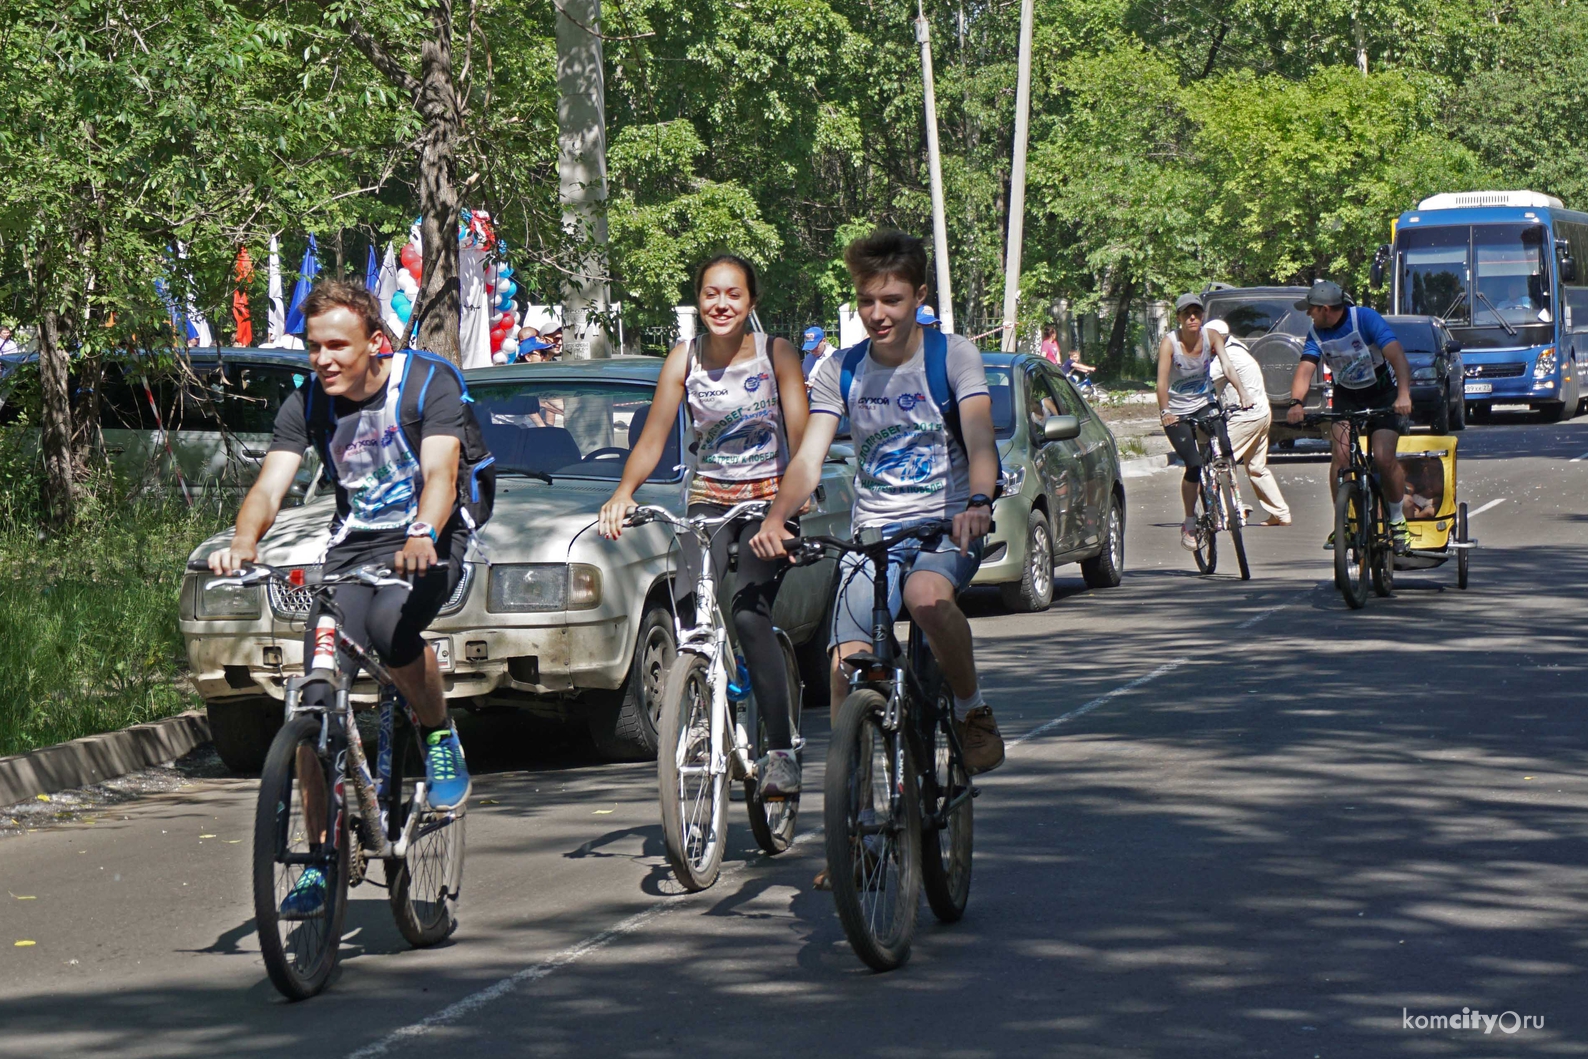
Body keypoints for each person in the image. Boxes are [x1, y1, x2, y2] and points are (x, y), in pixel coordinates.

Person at [208, 280, 480, 915]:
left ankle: (439, 737)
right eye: (313, 347)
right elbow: (271, 485)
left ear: (374, 343)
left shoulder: (427, 384)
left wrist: (422, 533)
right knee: (316, 692)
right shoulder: (308, 402)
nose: (322, 359)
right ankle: (316, 858)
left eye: (337, 346)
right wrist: (245, 540)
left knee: (392, 629)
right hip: (356, 545)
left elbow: (441, 475)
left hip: (434, 533)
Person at [750, 227, 1005, 789]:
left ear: (918, 297)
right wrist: (777, 516)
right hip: (874, 530)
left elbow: (981, 440)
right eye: (867, 301)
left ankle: (971, 709)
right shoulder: (841, 368)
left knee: (925, 598)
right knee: (846, 663)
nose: (878, 313)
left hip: (948, 525)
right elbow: (809, 459)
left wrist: (979, 502)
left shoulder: (952, 355)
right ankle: (854, 820)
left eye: (891, 300)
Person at [598, 255, 810, 798]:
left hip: (771, 505)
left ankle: (782, 750)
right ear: (698, 300)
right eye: (711, 294)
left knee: (747, 612)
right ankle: (702, 706)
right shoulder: (683, 359)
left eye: (733, 294)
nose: (722, 304)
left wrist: (790, 508)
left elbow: (804, 438)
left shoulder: (776, 354)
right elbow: (651, 439)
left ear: (751, 302)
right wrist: (623, 493)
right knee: (692, 611)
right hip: (708, 505)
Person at [1284, 280, 1414, 552]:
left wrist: (1403, 395)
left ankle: (1397, 520)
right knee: (1341, 459)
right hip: (1347, 395)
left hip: (1382, 394)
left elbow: (1397, 357)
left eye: (1312, 310)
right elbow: (1306, 369)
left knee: (1383, 457)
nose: (1309, 314)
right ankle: (1342, 523)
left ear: (1327, 309)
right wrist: (1296, 403)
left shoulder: (1365, 319)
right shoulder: (1317, 333)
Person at [1158, 292, 1253, 550]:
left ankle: (1232, 497)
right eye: (1187, 314)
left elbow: (1227, 366)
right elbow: (1162, 381)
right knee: (1193, 464)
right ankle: (1189, 520)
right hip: (1177, 410)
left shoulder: (1212, 337)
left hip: (1204, 403)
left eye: (1197, 313)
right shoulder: (1170, 343)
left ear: (1202, 316)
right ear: (1178, 317)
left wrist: (1243, 393)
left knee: (1224, 443)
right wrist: (1165, 410)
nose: (1192, 318)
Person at [1205, 319, 1290, 526]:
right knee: (1256, 468)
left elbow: (1203, 380)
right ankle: (1281, 513)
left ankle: (1231, 511)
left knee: (1217, 461)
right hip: (1262, 413)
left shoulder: (1226, 356)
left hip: (1245, 416)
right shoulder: (1240, 349)